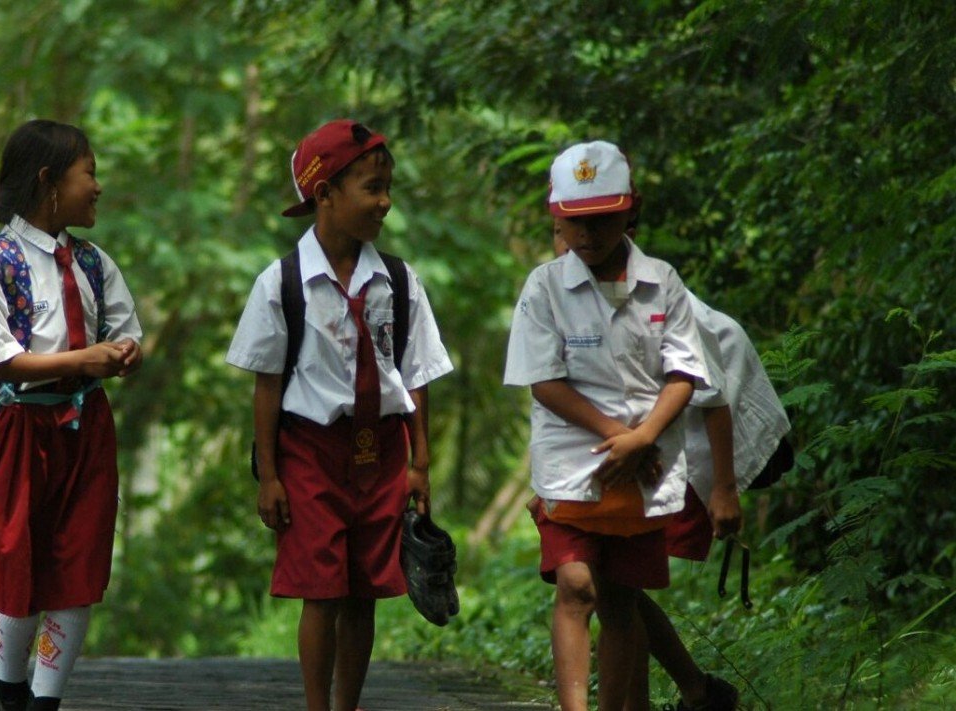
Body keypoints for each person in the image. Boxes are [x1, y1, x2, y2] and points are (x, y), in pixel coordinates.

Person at [226, 119, 453, 711]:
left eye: (387, 188)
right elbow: (267, 386)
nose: (385, 202)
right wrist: (271, 476)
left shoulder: (399, 281)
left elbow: (416, 375)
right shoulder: (281, 284)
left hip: (382, 452)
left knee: (365, 591)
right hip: (311, 452)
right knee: (321, 592)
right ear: (323, 193)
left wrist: (420, 462)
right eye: (372, 188)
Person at [530, 226, 789, 710]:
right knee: (607, 586)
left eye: (592, 228)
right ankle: (692, 691)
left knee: (617, 588)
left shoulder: (659, 295)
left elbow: (712, 398)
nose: (571, 246)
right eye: (562, 232)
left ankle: (682, 694)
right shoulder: (562, 294)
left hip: (684, 452)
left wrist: (724, 489)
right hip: (623, 453)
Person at [503, 140, 709, 711]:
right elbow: (542, 379)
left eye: (600, 219)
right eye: (573, 223)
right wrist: (614, 433)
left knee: (621, 598)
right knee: (577, 585)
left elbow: (685, 373)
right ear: (556, 219)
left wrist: (642, 437)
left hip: (644, 464)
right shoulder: (544, 286)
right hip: (573, 459)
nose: (586, 235)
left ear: (630, 209)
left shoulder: (662, 282)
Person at [0, 119, 143, 711]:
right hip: (21, 430)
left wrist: (123, 354)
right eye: (88, 172)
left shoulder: (92, 263)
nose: (97, 186)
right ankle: (10, 692)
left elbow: (125, 331)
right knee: (17, 566)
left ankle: (46, 703)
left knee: (78, 561)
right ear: (48, 181)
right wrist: (84, 358)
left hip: (86, 429)